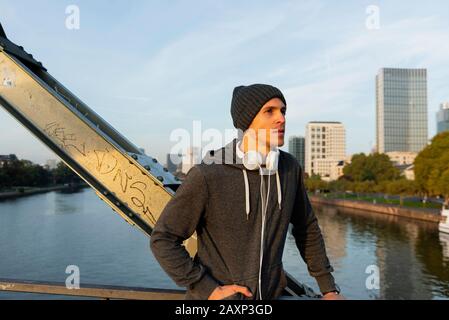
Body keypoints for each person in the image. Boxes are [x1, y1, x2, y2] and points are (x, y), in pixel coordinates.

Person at [150, 84, 343, 300]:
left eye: (283, 110)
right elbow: (163, 238)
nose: (281, 118)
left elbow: (307, 229)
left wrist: (329, 289)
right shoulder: (208, 174)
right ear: (246, 120)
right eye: (269, 111)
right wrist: (207, 288)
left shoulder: (289, 169)